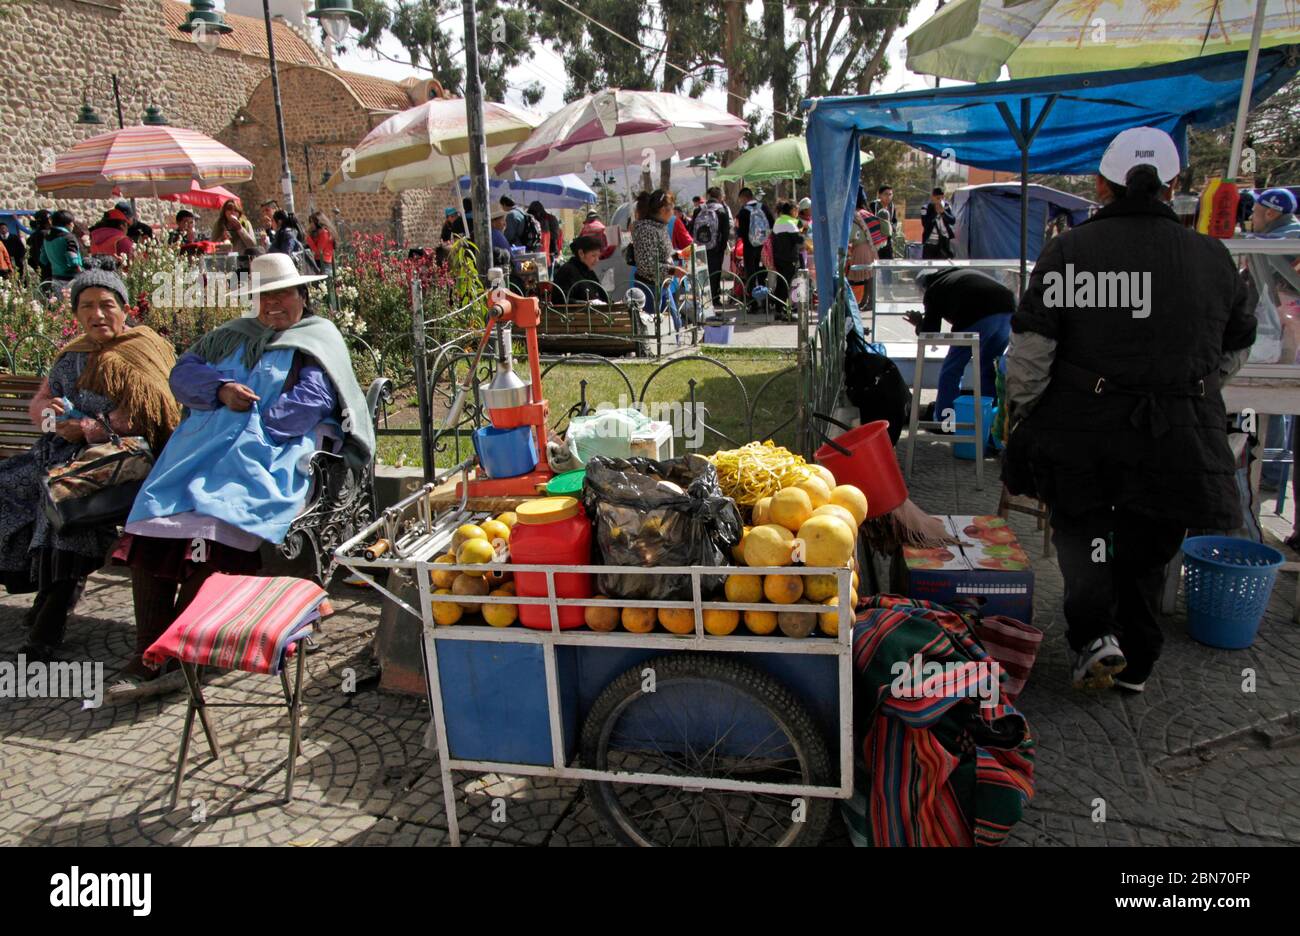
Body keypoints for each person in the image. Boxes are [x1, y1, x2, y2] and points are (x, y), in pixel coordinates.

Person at [1005, 126, 1255, 693]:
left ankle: (1095, 636)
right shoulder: (1215, 258)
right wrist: (1195, 387)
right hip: (1178, 436)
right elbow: (1237, 344)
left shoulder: (1071, 250)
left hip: (1084, 432)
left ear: (1102, 185)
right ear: (1172, 187)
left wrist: (1030, 407)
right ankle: (1137, 659)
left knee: (1088, 533)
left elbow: (1030, 352)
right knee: (1148, 545)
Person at [117, 252, 373, 695]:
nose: (273, 304)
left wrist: (250, 425)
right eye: (263, 296)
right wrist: (220, 390)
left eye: (283, 294)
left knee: (216, 526)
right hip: (198, 452)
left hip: (267, 452)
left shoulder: (315, 338)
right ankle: (148, 648)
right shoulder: (231, 336)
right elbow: (184, 375)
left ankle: (175, 648)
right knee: (155, 525)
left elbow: (311, 401)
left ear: (301, 294)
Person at [0, 268, 180, 661]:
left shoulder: (143, 348)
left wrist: (86, 429)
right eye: (87, 307)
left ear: (124, 309)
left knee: (61, 506)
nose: (97, 314)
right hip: (59, 454)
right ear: (77, 314)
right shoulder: (73, 354)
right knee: (8, 488)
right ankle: (40, 594)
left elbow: (150, 414)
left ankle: (47, 628)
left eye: (106, 305)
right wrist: (52, 419)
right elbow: (43, 402)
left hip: (121, 461)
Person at [904, 268, 1015, 427]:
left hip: (977, 315)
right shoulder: (956, 276)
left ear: (923, 286)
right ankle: (989, 425)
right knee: (988, 369)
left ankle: (945, 421)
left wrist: (919, 324)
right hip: (1007, 310)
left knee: (952, 369)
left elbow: (930, 335)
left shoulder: (934, 289)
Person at [630, 189, 684, 315]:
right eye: (672, 209)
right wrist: (672, 270)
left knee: (674, 325)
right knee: (660, 328)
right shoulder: (647, 230)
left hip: (662, 286)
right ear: (663, 210)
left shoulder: (659, 227)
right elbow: (647, 265)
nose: (673, 213)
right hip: (650, 289)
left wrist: (678, 254)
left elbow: (663, 253)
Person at [691, 187, 731, 306]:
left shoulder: (698, 210)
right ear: (719, 196)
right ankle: (714, 298)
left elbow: (692, 228)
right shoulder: (722, 210)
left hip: (700, 246)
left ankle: (702, 298)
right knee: (715, 272)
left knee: (701, 272)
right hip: (715, 248)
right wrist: (722, 247)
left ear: (708, 196)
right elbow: (726, 231)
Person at [735, 187, 773, 309]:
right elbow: (772, 223)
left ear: (744, 197)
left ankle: (752, 303)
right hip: (764, 247)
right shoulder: (764, 207)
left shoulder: (743, 212)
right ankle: (766, 301)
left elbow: (740, 233)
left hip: (749, 247)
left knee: (751, 274)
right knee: (763, 274)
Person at [769, 200, 805, 319]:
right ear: (792, 210)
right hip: (789, 259)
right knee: (786, 285)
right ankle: (784, 310)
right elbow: (799, 240)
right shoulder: (790, 223)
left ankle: (779, 310)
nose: (797, 212)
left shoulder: (778, 221)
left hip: (778, 258)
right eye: (796, 210)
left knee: (781, 284)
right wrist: (803, 229)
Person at [846, 191, 880, 306]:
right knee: (868, 276)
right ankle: (866, 300)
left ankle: (868, 301)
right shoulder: (866, 213)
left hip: (861, 248)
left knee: (865, 276)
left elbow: (852, 233)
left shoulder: (855, 214)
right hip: (869, 248)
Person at [551, 235, 605, 302]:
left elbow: (602, 295)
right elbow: (560, 300)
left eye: (598, 256)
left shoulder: (591, 271)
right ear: (581, 253)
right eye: (593, 256)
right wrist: (586, 303)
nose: (597, 260)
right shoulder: (567, 271)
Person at [43, 210, 84, 291]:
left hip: (56, 279)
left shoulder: (46, 238)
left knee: (60, 303)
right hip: (71, 280)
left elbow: (43, 259)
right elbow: (73, 261)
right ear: (68, 223)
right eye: (72, 223)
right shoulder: (69, 237)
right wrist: (83, 274)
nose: (73, 225)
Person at [921, 187, 956, 259]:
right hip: (930, 243)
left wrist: (943, 212)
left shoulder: (946, 206)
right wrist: (935, 212)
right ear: (932, 197)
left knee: (943, 266)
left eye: (942, 198)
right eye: (937, 198)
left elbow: (952, 221)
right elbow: (925, 224)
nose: (940, 200)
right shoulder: (926, 208)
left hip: (943, 242)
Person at [305, 210, 337, 277]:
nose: (311, 225)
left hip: (324, 263)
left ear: (317, 222)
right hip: (318, 262)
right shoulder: (318, 233)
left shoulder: (324, 233)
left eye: (312, 222)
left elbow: (318, 251)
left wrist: (308, 239)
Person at [869, 184, 896, 259]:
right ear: (879, 195)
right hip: (876, 240)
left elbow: (894, 221)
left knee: (888, 263)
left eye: (890, 194)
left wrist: (892, 227)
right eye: (886, 194)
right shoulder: (873, 205)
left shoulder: (892, 206)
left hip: (887, 240)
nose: (888, 197)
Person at [27, 209, 52, 283]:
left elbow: (30, 257)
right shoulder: (47, 234)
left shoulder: (33, 236)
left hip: (42, 270)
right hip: (51, 271)